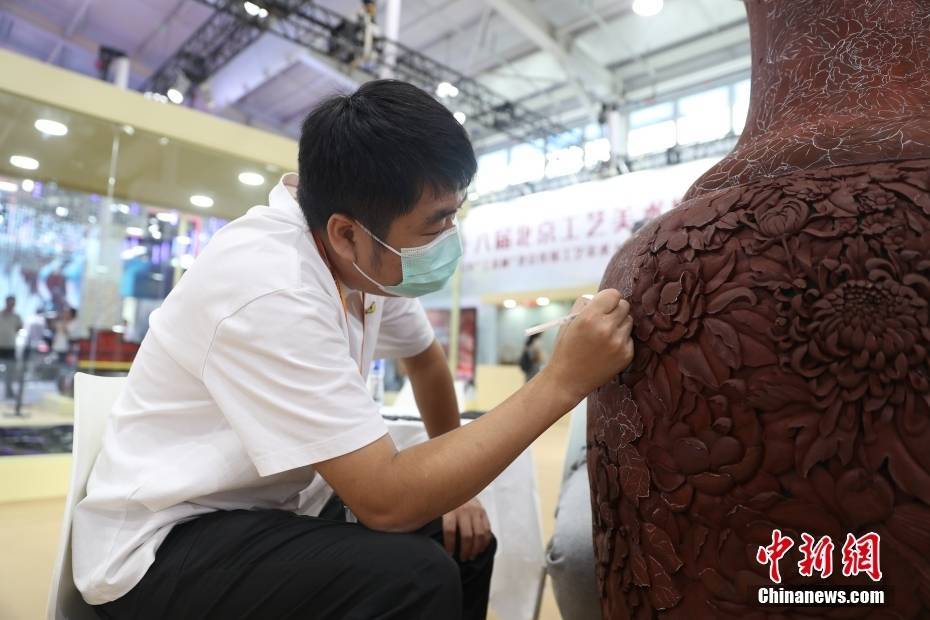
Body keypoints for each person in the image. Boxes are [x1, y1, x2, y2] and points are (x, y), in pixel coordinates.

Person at [73, 80, 635, 620]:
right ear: (347, 233)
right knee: (417, 574)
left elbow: (424, 360)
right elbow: (384, 500)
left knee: (464, 540)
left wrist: (458, 492)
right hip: (162, 548)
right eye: (435, 222)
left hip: (266, 513)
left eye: (454, 215)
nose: (449, 239)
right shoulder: (271, 287)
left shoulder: (362, 262)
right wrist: (561, 381)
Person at [0, 295, 23, 399]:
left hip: (10, 346)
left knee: (10, 371)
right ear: (6, 302)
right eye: (10, 303)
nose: (11, 305)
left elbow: (19, 328)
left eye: (13, 303)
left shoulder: (17, 317)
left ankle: (9, 392)